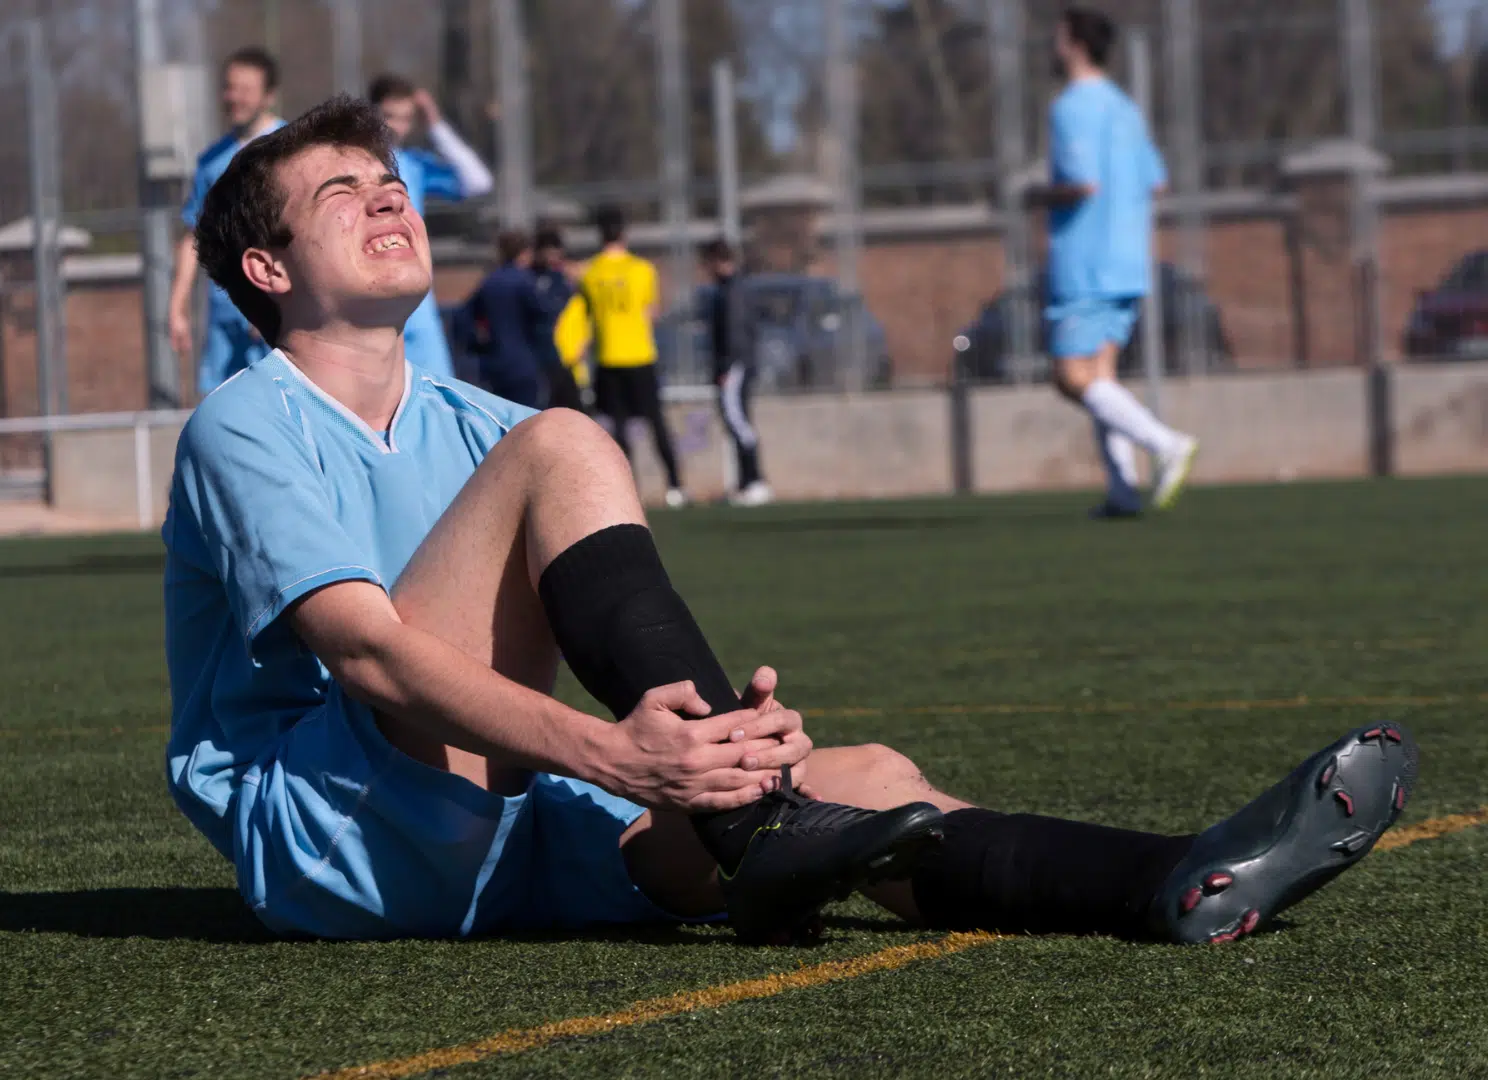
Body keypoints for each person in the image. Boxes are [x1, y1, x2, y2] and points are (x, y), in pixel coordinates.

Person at [166, 96, 1421, 948]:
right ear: (267, 270)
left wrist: (721, 748)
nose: (391, 201)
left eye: (395, 182)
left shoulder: (476, 419)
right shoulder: (245, 421)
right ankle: (748, 818)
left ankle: (1170, 881)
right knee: (566, 443)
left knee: (870, 786)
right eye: (343, 192)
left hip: (510, 830)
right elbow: (370, 653)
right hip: (335, 833)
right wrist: (622, 757)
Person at [1034, 6, 1198, 518]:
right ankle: (1122, 492)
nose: (1053, 49)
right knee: (1100, 375)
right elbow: (1156, 181)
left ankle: (1166, 444)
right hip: (1129, 257)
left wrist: (1034, 197)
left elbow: (1082, 183)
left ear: (1075, 46)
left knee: (1070, 377)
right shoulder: (1126, 108)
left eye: (1059, 40)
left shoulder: (1071, 107)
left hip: (1087, 260)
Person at [170, 47, 286, 393]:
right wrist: (177, 307)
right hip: (224, 315)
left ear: (269, 96)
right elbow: (195, 236)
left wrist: (272, 299)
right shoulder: (210, 160)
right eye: (229, 88)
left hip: (280, 313)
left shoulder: (291, 149)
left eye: (245, 90)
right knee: (219, 411)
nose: (234, 98)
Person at [369, 74, 494, 383]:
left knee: (436, 389)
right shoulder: (352, 163)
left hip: (416, 298)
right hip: (370, 294)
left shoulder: (414, 164)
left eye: (406, 118)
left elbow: (478, 181)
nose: (396, 126)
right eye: (388, 116)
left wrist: (435, 124)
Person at [577, 206, 685, 508]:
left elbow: (584, 315)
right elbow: (652, 311)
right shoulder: (643, 269)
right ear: (624, 234)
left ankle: (628, 490)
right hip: (640, 355)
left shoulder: (590, 273)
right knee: (656, 422)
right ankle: (676, 486)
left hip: (608, 359)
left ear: (600, 235)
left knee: (618, 428)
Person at [701, 240, 772, 507]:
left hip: (735, 365)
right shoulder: (731, 288)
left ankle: (755, 481)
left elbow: (733, 331)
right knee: (736, 420)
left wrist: (726, 366)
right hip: (737, 363)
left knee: (738, 421)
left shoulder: (732, 290)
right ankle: (746, 483)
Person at [464, 230, 547, 408]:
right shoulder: (526, 281)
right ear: (524, 252)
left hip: (495, 363)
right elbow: (543, 316)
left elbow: (464, 317)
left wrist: (477, 345)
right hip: (524, 362)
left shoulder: (489, 282)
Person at [530, 224, 585, 412]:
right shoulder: (532, 279)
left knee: (574, 410)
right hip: (542, 356)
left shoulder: (564, 280)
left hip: (564, 356)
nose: (552, 256)